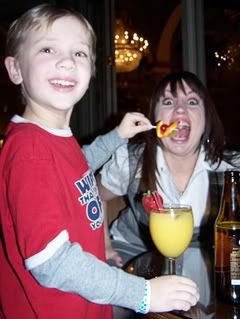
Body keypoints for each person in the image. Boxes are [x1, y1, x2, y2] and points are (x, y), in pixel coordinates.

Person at [0, 4, 200, 319]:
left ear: (91, 71)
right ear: (15, 69)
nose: (66, 61)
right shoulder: (30, 150)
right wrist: (143, 293)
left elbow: (78, 166)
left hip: (85, 302)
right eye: (48, 49)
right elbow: (50, 262)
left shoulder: (50, 139)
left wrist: (117, 136)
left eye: (79, 53)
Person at [98, 71, 240, 267]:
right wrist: (104, 246)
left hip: (208, 261)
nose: (180, 110)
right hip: (134, 253)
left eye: (191, 102)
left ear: (206, 117)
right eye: (167, 102)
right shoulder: (129, 161)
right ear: (155, 118)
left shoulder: (232, 169)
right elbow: (95, 193)